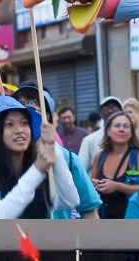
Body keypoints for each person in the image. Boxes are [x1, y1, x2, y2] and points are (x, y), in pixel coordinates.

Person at [0, 96, 79, 219]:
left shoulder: (41, 174)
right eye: (9, 124)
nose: (19, 130)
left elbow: (69, 201)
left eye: (24, 123)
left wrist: (53, 147)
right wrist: (37, 170)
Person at [10, 84, 102, 219]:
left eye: (33, 111)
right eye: (19, 111)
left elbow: (89, 210)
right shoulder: (4, 159)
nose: (26, 118)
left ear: (48, 118)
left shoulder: (68, 159)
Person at [91, 111, 139, 219]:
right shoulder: (99, 156)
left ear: (131, 132)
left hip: (132, 218)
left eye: (126, 126)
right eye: (117, 126)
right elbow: (91, 185)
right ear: (108, 131)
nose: (122, 129)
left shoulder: (138, 156)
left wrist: (117, 186)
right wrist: (95, 184)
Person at [80, 97, 124, 170]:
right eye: (106, 108)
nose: (110, 111)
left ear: (121, 112)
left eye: (114, 107)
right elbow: (80, 170)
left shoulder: (128, 138)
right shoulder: (90, 140)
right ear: (100, 112)